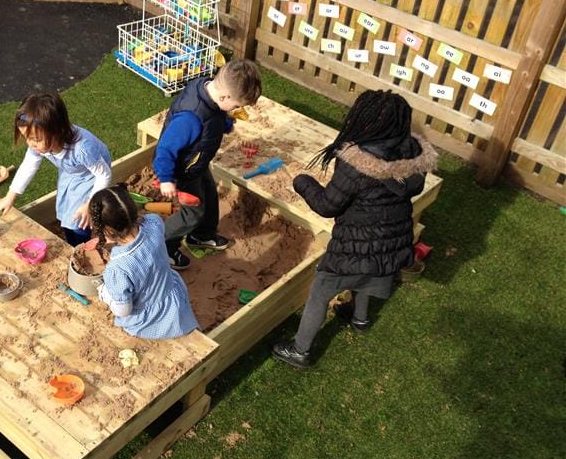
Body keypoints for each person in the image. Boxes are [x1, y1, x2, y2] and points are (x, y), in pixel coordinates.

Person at [272, 90, 438, 370]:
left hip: (354, 243)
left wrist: (303, 182)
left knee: (321, 290)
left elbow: (328, 205)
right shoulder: (414, 154)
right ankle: (359, 318)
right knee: (369, 275)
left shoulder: (356, 163)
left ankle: (300, 350)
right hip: (392, 240)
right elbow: (415, 187)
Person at [153, 59, 262, 269]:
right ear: (224, 96)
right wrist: (166, 179)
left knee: (210, 195)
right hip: (180, 171)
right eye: (236, 105)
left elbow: (214, 115)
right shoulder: (189, 119)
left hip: (197, 164)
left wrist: (224, 123)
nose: (236, 109)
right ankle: (163, 247)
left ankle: (201, 236)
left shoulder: (208, 90)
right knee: (192, 213)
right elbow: (165, 149)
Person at [0, 92, 111, 246]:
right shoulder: (39, 144)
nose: (30, 144)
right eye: (26, 138)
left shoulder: (82, 149)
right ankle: (73, 241)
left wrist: (90, 204)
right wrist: (10, 197)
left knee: (81, 217)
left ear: (57, 132)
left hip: (91, 174)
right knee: (65, 209)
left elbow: (104, 175)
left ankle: (83, 246)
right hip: (72, 170)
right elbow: (28, 165)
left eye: (36, 139)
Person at [90, 184, 199, 339]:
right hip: (172, 295)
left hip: (148, 319)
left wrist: (104, 292)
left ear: (106, 231)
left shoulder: (117, 269)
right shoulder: (154, 222)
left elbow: (123, 310)